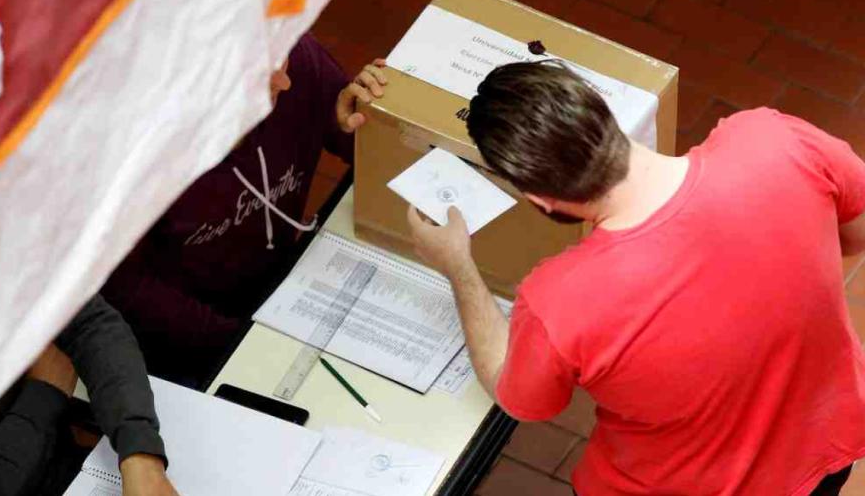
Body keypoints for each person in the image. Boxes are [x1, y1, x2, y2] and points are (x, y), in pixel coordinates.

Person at [406, 60, 865, 496]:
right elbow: (856, 232)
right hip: (822, 451)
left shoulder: (561, 301)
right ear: (603, 111)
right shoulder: (773, 139)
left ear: (540, 200)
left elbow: (519, 397)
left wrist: (458, 267)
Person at [102, 33, 387, 386]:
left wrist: (367, 121)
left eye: (280, 58)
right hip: (181, 348)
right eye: (257, 73)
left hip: (279, 296)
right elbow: (126, 291)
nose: (284, 81)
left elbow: (357, 145)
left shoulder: (294, 59)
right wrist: (246, 344)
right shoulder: (130, 159)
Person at [0, 295, 177, 496]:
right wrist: (43, 398)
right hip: (28, 442)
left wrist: (141, 455)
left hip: (50, 452)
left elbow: (92, 324)